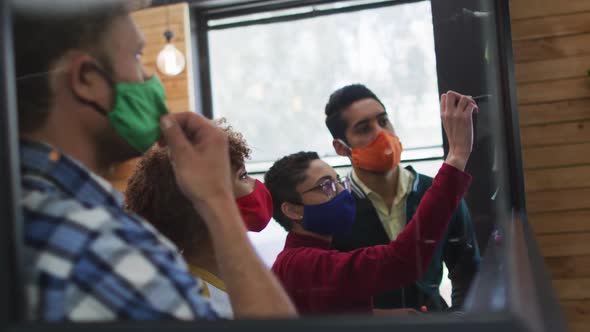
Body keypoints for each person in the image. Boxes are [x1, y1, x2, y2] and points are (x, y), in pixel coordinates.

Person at [15, 0, 295, 320]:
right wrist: (218, 200)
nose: (151, 81)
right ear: (86, 80)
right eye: (136, 57)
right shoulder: (102, 247)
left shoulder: (25, 207)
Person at [264, 91, 476, 315]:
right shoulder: (301, 264)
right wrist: (457, 157)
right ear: (293, 210)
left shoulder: (309, 256)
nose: (340, 193)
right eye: (326, 186)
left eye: (338, 181)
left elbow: (335, 313)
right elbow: (401, 261)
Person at [324, 84, 481, 311]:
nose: (381, 134)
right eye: (364, 129)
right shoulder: (336, 207)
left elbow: (468, 271)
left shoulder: (438, 191)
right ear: (341, 147)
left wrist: (458, 321)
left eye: (383, 120)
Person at [125, 119, 273, 318]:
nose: (256, 183)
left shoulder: (236, 278)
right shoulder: (201, 299)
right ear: (203, 199)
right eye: (243, 176)